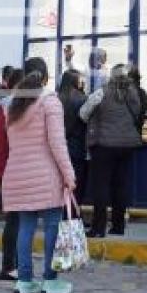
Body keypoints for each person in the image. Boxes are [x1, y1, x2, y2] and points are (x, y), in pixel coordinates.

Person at [3, 69, 76, 293]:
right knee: (52, 226)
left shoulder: (12, 106)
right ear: (45, 80)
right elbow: (57, 142)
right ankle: (50, 281)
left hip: (17, 174)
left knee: (25, 228)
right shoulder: (49, 102)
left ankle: (24, 282)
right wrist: (69, 174)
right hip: (45, 175)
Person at [79, 64, 144, 237]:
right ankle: (118, 226)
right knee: (120, 186)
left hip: (104, 145)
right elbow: (137, 113)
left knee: (101, 187)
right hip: (127, 145)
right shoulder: (133, 93)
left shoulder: (101, 92)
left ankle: (99, 228)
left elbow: (83, 114)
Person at [0, 67, 25, 281]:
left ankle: (11, 264)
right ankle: (9, 266)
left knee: (15, 219)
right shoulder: (11, 110)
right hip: (13, 167)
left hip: (5, 167)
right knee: (16, 220)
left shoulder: (1, 109)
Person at [58, 69, 88, 208]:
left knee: (58, 185)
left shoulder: (55, 98)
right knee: (75, 186)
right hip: (77, 147)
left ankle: (58, 216)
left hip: (57, 149)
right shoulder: (82, 99)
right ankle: (72, 219)